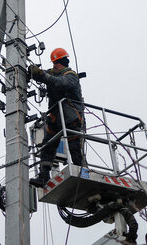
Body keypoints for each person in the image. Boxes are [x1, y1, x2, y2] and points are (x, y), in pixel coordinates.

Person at [28, 48, 85, 188]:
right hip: (55, 116)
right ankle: (43, 176)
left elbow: (60, 83)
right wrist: (31, 71)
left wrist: (43, 76)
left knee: (73, 145)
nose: (54, 66)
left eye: (56, 63)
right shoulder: (53, 73)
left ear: (61, 63)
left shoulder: (71, 75)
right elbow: (42, 75)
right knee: (48, 146)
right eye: (53, 64)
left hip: (70, 116)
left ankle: (82, 171)